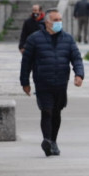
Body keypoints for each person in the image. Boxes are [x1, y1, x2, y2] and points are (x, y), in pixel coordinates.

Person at [20, 9, 84, 157]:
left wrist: (79, 74)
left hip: (61, 83)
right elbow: (26, 62)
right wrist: (25, 82)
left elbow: (76, 58)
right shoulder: (34, 39)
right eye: (55, 20)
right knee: (46, 111)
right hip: (43, 82)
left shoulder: (67, 39)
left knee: (56, 112)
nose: (58, 22)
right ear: (47, 22)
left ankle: (53, 141)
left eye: (60, 19)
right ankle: (47, 141)